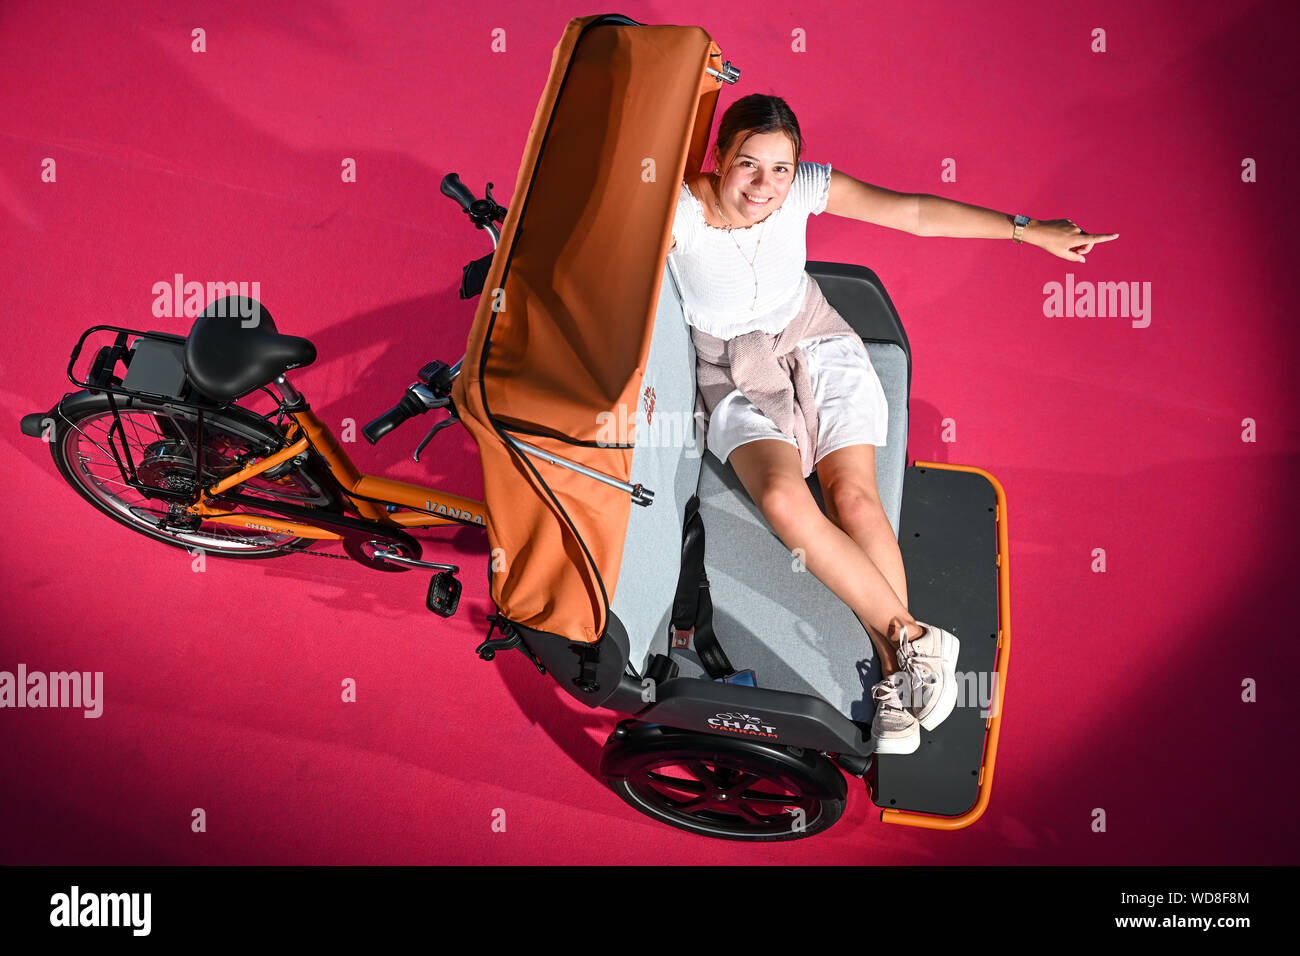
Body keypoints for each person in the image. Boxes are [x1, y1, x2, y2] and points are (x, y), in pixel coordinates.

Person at [667, 94, 1117, 754]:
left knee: (853, 498)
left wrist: (1029, 231)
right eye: (748, 165)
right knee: (786, 501)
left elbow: (912, 213)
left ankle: (898, 679)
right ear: (719, 157)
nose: (765, 186)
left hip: (816, 341)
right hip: (734, 371)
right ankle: (914, 640)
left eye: (782, 168)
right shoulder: (677, 211)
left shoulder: (802, 190)